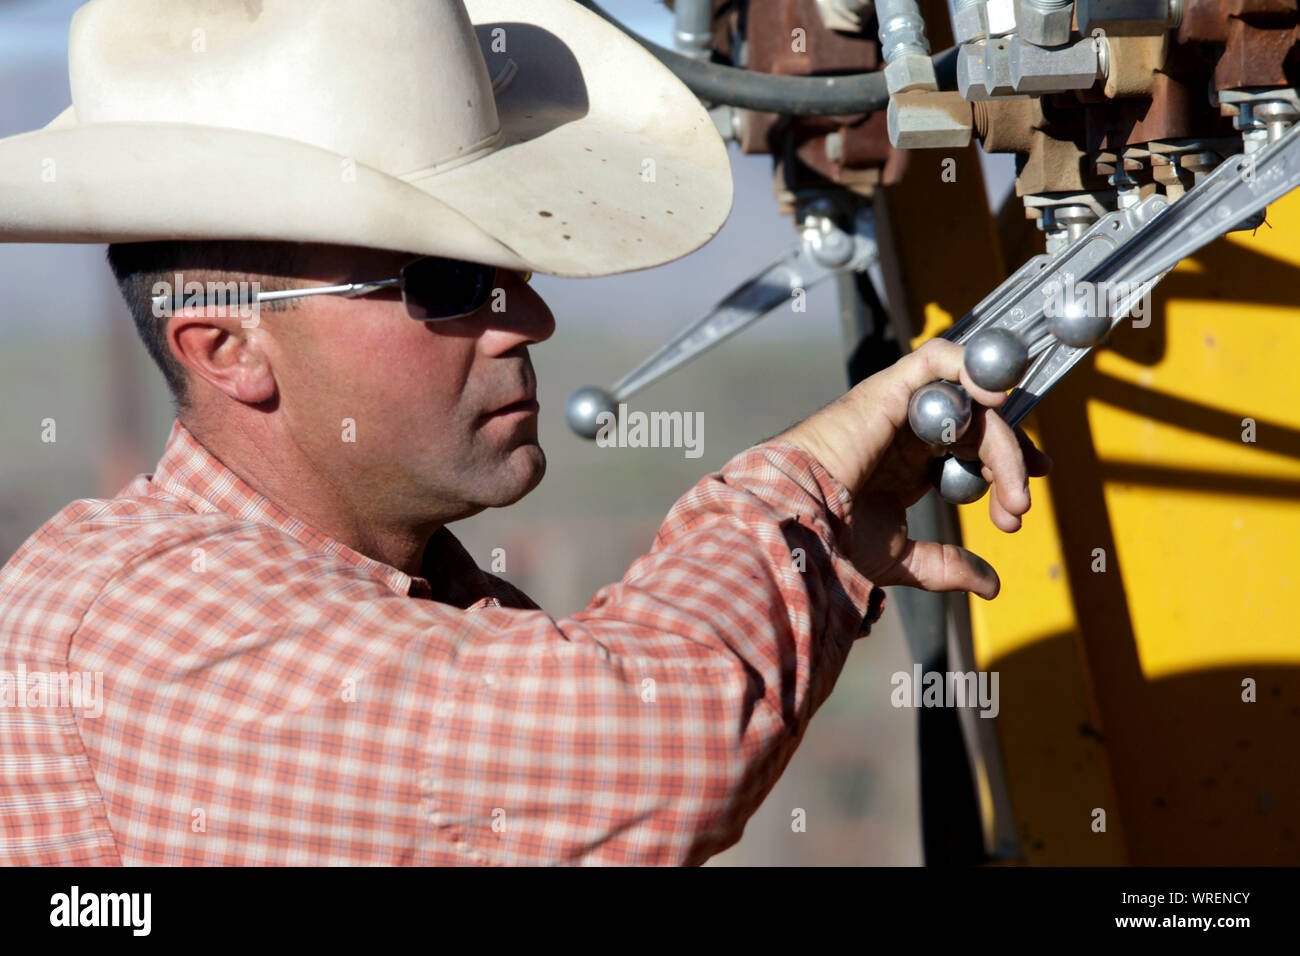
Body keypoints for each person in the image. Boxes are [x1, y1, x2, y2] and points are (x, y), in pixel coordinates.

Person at [0, 0, 1047, 865]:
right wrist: (805, 478)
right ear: (227, 349)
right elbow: (656, 746)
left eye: (514, 276)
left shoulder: (372, 604)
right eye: (448, 284)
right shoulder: (157, 625)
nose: (529, 321)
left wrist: (824, 525)